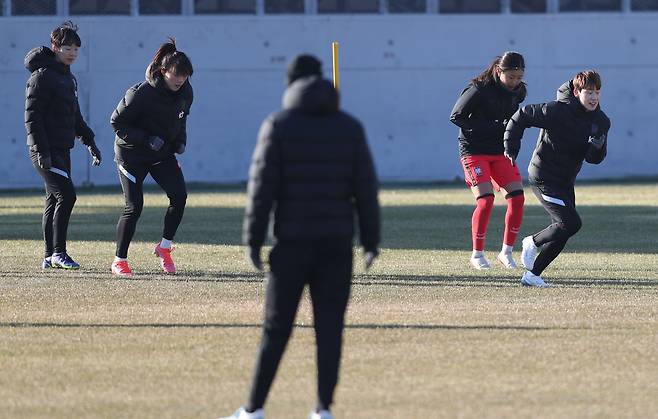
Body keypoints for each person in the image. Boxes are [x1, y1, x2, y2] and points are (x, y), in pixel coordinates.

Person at [221, 55, 380, 419]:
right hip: (337, 245)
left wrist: (252, 240)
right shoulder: (349, 127)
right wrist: (370, 242)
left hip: (291, 243)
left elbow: (262, 190)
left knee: (275, 329)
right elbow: (365, 190)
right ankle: (323, 409)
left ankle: (253, 409)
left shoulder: (278, 125)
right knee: (329, 331)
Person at [504, 70, 610, 287]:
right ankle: (531, 242)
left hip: (565, 179)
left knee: (564, 228)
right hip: (543, 176)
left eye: (597, 92)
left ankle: (532, 276)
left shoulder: (601, 121)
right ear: (576, 91)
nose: (594, 97)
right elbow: (521, 116)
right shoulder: (556, 111)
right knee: (570, 223)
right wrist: (511, 146)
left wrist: (596, 149)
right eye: (589, 92)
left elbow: (593, 159)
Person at [109, 38, 193, 277]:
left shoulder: (186, 91)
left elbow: (181, 117)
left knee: (179, 196)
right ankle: (119, 261)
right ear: (163, 71)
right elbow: (116, 122)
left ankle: (165, 248)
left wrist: (180, 140)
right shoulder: (140, 93)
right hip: (131, 156)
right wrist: (146, 139)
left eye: (185, 75)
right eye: (176, 75)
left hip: (161, 154)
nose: (180, 80)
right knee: (134, 207)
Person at [25, 21, 102, 270]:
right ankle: (59, 252)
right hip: (45, 151)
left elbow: (75, 117)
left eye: (76, 49)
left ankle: (49, 256)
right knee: (67, 196)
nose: (72, 53)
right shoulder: (42, 77)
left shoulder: (68, 78)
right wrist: (41, 151)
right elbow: (32, 118)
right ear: (55, 47)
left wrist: (90, 141)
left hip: (62, 149)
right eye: (67, 48)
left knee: (53, 199)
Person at [449, 52, 527, 270]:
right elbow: (456, 116)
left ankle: (506, 252)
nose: (515, 82)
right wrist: (491, 127)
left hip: (499, 151)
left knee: (518, 198)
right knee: (486, 200)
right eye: (511, 77)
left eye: (519, 77)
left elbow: (512, 121)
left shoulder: (518, 92)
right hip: (474, 151)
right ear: (498, 71)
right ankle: (477, 254)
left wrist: (512, 139)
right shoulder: (479, 89)